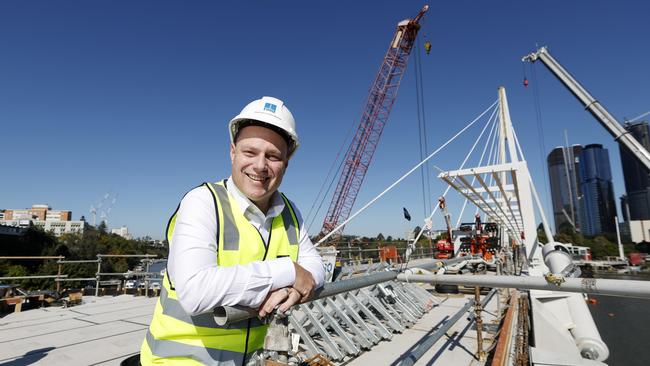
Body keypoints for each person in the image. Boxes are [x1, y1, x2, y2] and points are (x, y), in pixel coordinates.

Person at [140, 96, 325, 365]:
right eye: (250, 152)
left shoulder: (290, 211)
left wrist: (294, 289)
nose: (260, 166)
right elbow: (195, 291)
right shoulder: (203, 202)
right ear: (232, 152)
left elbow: (314, 267)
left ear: (286, 163)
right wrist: (288, 272)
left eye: (273, 156)